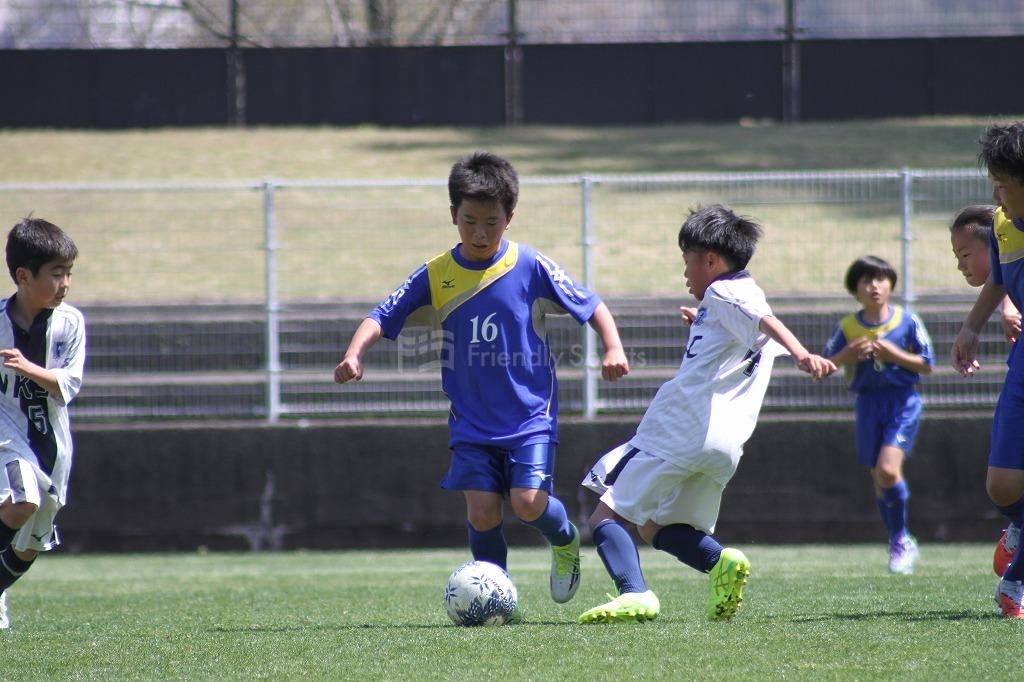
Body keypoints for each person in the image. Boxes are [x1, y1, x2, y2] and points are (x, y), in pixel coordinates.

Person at [334, 152, 630, 610]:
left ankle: (566, 539)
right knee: (482, 510)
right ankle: (496, 599)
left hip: (530, 415)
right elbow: (382, 314)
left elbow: (591, 305)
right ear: (453, 215)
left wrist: (613, 347)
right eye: (469, 220)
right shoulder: (436, 274)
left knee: (529, 503)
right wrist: (354, 354)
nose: (479, 233)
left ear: (509, 219)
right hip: (471, 421)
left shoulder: (530, 266)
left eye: (491, 222)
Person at [576, 204, 835, 624]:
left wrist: (803, 353)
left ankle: (634, 593)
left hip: (679, 429)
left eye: (687, 262)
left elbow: (765, 320)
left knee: (608, 514)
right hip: (724, 446)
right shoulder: (728, 302)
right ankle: (720, 564)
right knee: (656, 527)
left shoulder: (725, 291)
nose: (685, 275)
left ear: (710, 260)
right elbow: (748, 333)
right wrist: (704, 321)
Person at [951, 121, 1024, 619]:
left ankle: (1014, 585)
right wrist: (971, 328)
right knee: (1002, 486)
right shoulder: (1001, 222)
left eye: (1003, 182)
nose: (994, 193)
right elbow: (999, 281)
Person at [823, 256, 933, 575]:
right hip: (868, 404)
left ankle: (901, 538)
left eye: (882, 279)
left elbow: (926, 363)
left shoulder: (907, 321)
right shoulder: (848, 326)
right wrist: (849, 355)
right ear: (854, 289)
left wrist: (891, 353)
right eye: (867, 280)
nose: (875, 286)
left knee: (887, 470)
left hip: (902, 403)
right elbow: (827, 365)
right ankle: (896, 539)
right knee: (879, 481)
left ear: (891, 285)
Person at [0, 217, 84, 629]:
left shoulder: (71, 323)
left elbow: (68, 385)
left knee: (30, 546)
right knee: (22, 500)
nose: (65, 283)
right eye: (56, 274)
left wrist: (28, 368)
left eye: (68, 273)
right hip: (5, 434)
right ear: (23, 275)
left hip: (53, 446)